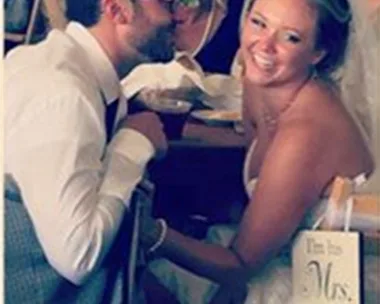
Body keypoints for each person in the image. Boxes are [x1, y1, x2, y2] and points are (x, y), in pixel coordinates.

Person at [138, 0, 380, 303]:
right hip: (273, 253)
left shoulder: (306, 134)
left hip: (320, 282)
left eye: (290, 37)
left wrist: (150, 232)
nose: (263, 46)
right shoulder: (260, 84)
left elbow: (241, 266)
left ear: (318, 53)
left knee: (140, 275)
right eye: (259, 23)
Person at [4, 0, 176, 303]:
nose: (178, 14)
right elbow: (78, 257)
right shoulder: (63, 95)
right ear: (117, 10)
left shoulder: (67, 67)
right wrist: (132, 146)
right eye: (166, 2)